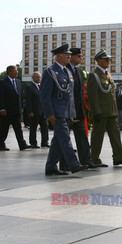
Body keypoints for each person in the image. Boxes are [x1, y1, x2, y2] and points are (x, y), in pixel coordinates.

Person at [40, 44, 86, 175]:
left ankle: (51, 166)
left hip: (66, 112)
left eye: (70, 55)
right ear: (59, 56)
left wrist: (71, 112)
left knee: (57, 141)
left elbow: (70, 95)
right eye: (67, 55)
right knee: (65, 138)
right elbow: (45, 95)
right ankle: (74, 164)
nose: (69, 57)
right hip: (57, 112)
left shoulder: (67, 71)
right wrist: (49, 113)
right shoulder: (50, 72)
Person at [87, 49, 122, 167]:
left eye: (109, 59)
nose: (108, 61)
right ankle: (94, 159)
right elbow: (92, 96)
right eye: (106, 59)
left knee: (116, 136)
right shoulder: (94, 75)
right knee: (97, 137)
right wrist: (96, 112)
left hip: (111, 112)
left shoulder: (107, 74)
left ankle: (118, 158)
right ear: (99, 61)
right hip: (101, 112)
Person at [67, 48, 98, 169]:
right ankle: (65, 163)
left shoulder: (79, 72)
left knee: (82, 137)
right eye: (79, 56)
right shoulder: (66, 70)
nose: (81, 58)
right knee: (64, 138)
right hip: (68, 110)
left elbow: (80, 92)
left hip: (79, 111)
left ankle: (86, 160)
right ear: (72, 57)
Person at [0, 65, 29, 151]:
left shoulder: (19, 82)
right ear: (9, 72)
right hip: (6, 111)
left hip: (17, 111)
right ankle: (1, 144)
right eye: (15, 70)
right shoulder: (3, 83)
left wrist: (22, 107)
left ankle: (22, 145)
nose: (17, 72)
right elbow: (1, 97)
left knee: (18, 129)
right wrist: (1, 109)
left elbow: (20, 96)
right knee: (4, 129)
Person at [25, 71, 49, 148]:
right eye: (37, 77)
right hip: (34, 112)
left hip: (43, 111)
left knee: (45, 127)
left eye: (40, 77)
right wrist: (30, 111)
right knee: (33, 128)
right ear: (33, 78)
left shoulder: (43, 86)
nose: (39, 79)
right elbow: (28, 100)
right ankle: (33, 143)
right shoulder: (29, 87)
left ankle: (44, 142)